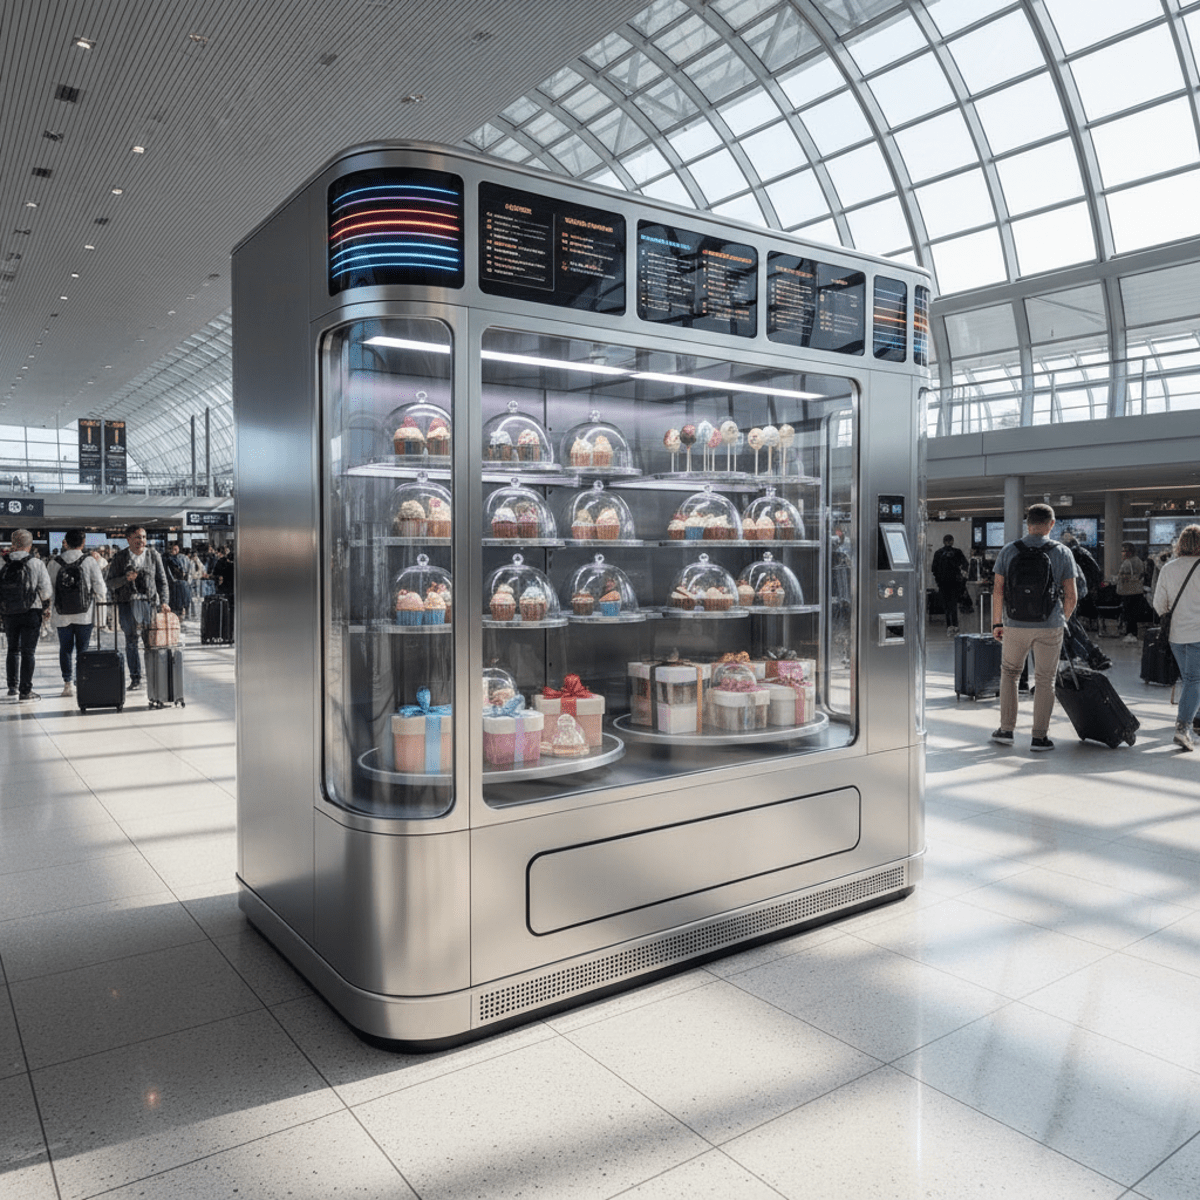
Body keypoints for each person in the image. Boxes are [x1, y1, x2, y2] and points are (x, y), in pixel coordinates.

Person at [990, 503, 1078, 751]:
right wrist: (1062, 621)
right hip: (1049, 624)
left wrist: (998, 622)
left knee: (1010, 673)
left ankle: (1006, 730)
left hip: (1015, 624)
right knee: (1045, 679)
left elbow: (998, 590)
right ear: (1052, 524)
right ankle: (1039, 737)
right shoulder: (1061, 552)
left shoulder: (1009, 550)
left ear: (1027, 524)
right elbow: (1071, 595)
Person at [105, 525, 171, 690]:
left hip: (149, 603)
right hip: (127, 604)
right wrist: (125, 579)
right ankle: (136, 678)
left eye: (143, 537)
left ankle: (153, 674)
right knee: (131, 640)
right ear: (128, 540)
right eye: (137, 537)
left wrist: (164, 601)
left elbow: (162, 581)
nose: (141, 541)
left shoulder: (153, 555)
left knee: (151, 641)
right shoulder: (120, 557)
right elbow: (111, 583)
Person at [1152, 524, 1200, 751]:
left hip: (1176, 636)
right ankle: (1183, 727)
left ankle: (1194, 720)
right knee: (1194, 680)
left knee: (1191, 678)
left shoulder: (1168, 568)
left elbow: (1159, 604)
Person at [48, 529, 108, 697]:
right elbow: (100, 587)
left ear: (65, 542)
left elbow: (49, 591)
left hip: (61, 614)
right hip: (85, 614)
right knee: (83, 649)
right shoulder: (88, 561)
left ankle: (67, 684)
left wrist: (49, 610)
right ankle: (81, 680)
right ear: (83, 542)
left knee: (65, 649)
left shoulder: (54, 562)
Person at [1, 529, 52, 701]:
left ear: (13, 544)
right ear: (29, 546)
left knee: (12, 649)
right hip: (31, 611)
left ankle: (12, 687)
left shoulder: (2, 563)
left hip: (8, 612)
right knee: (28, 652)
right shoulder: (36, 564)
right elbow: (46, 592)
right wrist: (46, 608)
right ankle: (25, 690)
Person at [931, 534, 969, 636]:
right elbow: (966, 564)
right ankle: (955, 626)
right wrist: (962, 576)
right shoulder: (957, 552)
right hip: (955, 582)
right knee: (953, 605)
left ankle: (949, 626)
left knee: (947, 606)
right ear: (952, 541)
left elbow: (933, 569)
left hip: (943, 583)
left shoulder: (939, 553)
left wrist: (938, 579)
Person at [1116, 542, 1146, 645]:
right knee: (1134, 614)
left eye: (1124, 551)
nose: (1122, 553)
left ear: (1129, 552)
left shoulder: (1127, 563)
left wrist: (1119, 578)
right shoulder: (1139, 561)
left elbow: (1124, 577)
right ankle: (1134, 633)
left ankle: (1130, 634)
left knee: (1129, 614)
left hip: (1128, 592)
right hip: (1138, 591)